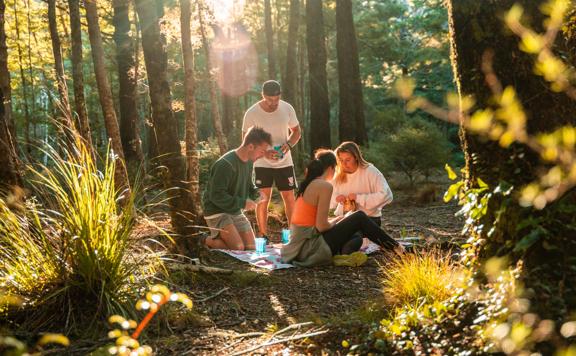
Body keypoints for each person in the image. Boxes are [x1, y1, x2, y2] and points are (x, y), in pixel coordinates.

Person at [281, 149, 403, 267]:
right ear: (331, 168)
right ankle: (398, 249)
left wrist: (339, 219)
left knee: (352, 223)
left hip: (298, 249)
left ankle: (389, 247)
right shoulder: (324, 186)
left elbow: (315, 223)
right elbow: (321, 226)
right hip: (311, 249)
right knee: (359, 217)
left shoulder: (308, 184)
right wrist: (338, 222)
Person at [242, 80, 301, 239]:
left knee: (289, 198)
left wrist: (288, 144)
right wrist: (263, 153)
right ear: (263, 96)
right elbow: (245, 140)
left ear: (280, 95)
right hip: (262, 163)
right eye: (269, 99)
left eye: (276, 99)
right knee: (263, 199)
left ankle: (294, 235)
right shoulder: (252, 113)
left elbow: (296, 132)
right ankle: (263, 235)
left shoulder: (287, 108)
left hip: (284, 161)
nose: (273, 103)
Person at [202, 127, 272, 250]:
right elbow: (216, 195)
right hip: (217, 211)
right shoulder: (225, 164)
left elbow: (249, 185)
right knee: (238, 248)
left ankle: (225, 238)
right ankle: (203, 239)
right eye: (261, 151)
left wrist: (257, 193)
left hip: (234, 210)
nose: (263, 155)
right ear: (250, 146)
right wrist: (243, 203)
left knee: (251, 247)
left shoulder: (249, 162)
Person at [331, 141, 393, 228]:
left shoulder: (370, 171)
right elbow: (330, 202)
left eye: (348, 160)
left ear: (356, 157)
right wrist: (336, 199)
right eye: (341, 160)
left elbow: (387, 195)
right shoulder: (337, 175)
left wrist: (358, 198)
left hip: (370, 219)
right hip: (345, 219)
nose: (344, 164)